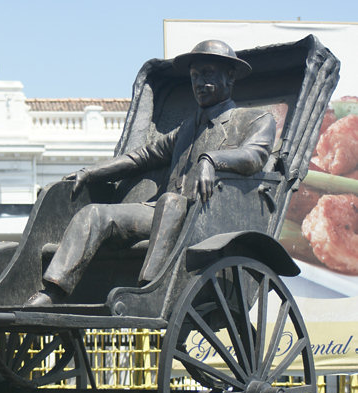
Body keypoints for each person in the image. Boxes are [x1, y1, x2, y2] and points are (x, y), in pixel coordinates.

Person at [27, 40, 277, 306]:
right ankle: (54, 291)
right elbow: (142, 157)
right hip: (161, 212)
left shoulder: (255, 120)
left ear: (230, 76)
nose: (199, 82)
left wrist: (212, 159)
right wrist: (90, 172)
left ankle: (149, 288)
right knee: (94, 214)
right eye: (194, 76)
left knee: (170, 202)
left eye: (208, 73)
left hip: (207, 217)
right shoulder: (187, 128)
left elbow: (255, 156)